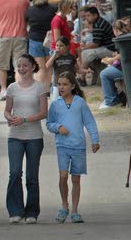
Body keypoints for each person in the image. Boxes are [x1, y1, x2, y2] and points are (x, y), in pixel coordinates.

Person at [46, 72, 100, 224]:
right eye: (59, 84)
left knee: (76, 179)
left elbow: (89, 122)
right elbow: (49, 123)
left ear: (72, 86)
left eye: (65, 84)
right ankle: (64, 206)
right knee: (63, 176)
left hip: (78, 146)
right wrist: (58, 127)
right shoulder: (55, 104)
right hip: (62, 145)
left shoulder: (80, 102)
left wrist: (95, 140)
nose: (61, 87)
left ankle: (75, 211)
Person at [4, 54, 48, 224]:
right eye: (19, 66)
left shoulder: (40, 87)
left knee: (32, 176)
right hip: (15, 136)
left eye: (25, 66)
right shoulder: (12, 88)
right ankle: (15, 210)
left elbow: (44, 112)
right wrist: (10, 117)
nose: (21, 69)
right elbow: (7, 110)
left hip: (34, 137)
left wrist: (24, 119)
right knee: (14, 173)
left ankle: (32, 212)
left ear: (32, 67)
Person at [0, 0, 31, 100]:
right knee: (19, 65)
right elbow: (27, 17)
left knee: (1, 65)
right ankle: (18, 90)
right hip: (20, 35)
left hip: (3, 35)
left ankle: (3, 90)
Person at [26, 0, 57, 89]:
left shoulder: (30, 10)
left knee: (40, 69)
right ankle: (46, 90)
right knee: (48, 68)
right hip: (49, 41)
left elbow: (26, 24)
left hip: (35, 41)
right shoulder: (53, 9)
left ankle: (38, 92)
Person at [98, 19, 131, 109]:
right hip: (127, 67)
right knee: (108, 70)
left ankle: (111, 100)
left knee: (104, 74)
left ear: (115, 29)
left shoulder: (120, 38)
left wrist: (112, 59)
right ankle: (113, 97)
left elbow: (122, 54)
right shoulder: (128, 36)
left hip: (125, 68)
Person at [79, 6, 116, 85]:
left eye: (88, 16)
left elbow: (95, 44)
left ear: (95, 15)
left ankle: (82, 79)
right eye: (86, 16)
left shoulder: (98, 24)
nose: (87, 18)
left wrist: (83, 47)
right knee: (87, 54)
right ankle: (94, 76)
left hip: (110, 48)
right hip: (107, 46)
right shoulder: (99, 22)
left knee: (85, 53)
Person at [46, 36, 78, 101]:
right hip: (57, 84)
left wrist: (86, 71)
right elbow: (47, 66)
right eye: (57, 46)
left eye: (61, 46)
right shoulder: (54, 57)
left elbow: (77, 69)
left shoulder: (71, 57)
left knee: (70, 101)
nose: (58, 48)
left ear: (67, 47)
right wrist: (54, 56)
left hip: (69, 84)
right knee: (56, 102)